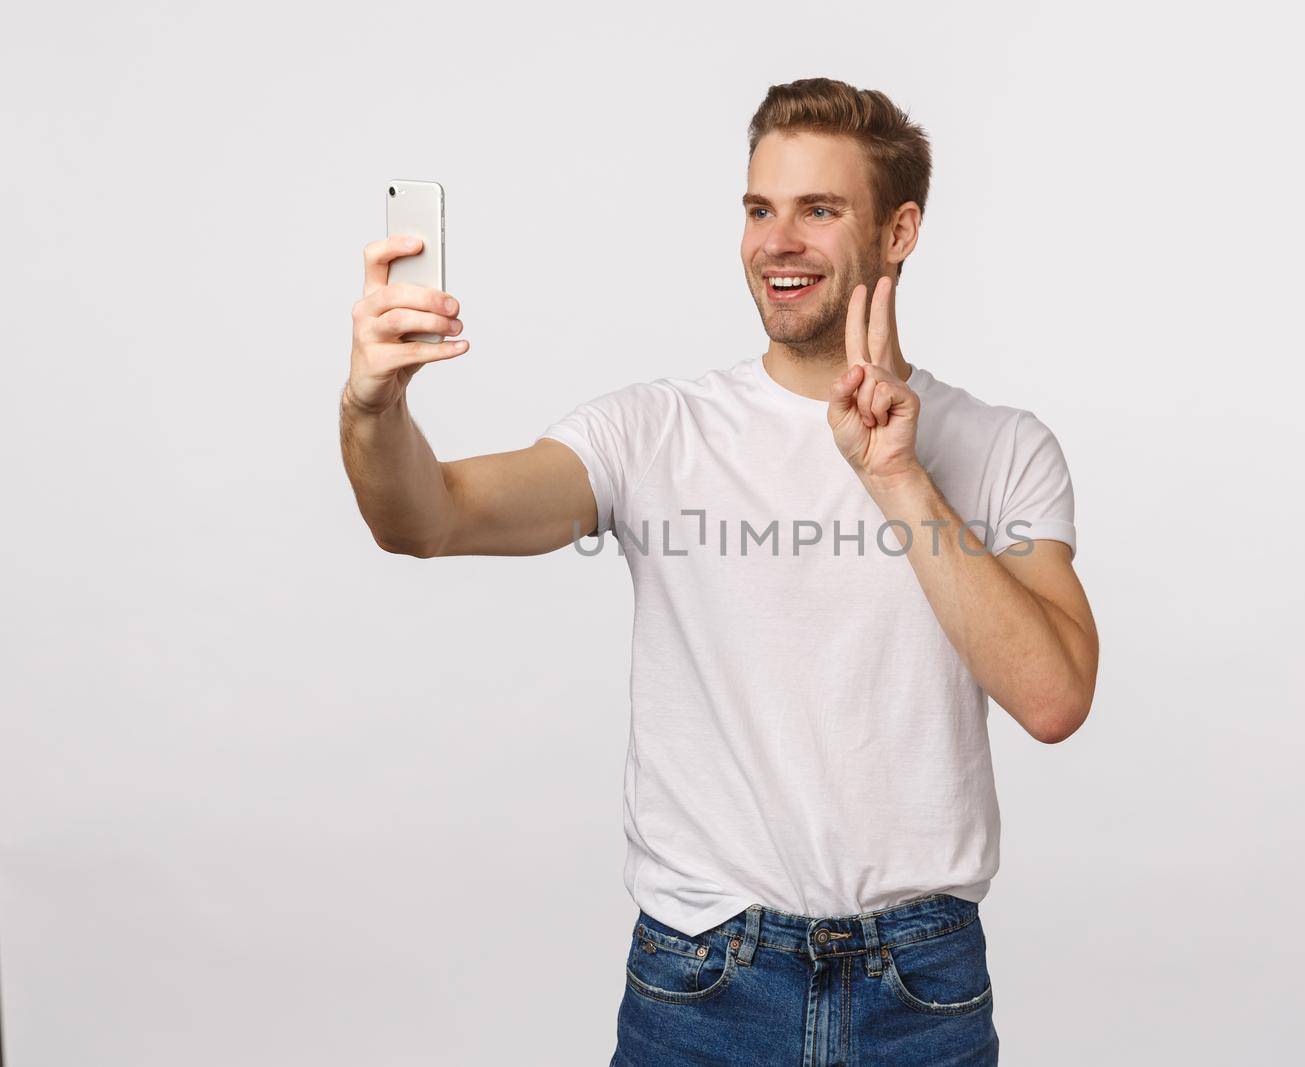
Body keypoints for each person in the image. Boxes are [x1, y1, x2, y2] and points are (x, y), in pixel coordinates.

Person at [340, 76, 1099, 1066]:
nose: (775, 241)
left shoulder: (1003, 448)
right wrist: (371, 409)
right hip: (703, 984)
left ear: (900, 230)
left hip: (920, 987)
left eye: (818, 210)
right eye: (758, 209)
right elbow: (428, 519)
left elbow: (1052, 696)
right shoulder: (654, 432)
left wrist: (899, 479)